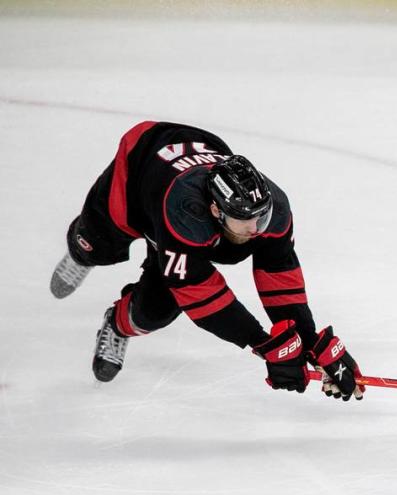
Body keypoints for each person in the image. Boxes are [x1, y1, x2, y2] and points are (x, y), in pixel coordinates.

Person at [51, 121, 363, 401]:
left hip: (193, 166)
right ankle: (83, 254)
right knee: (93, 245)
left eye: (261, 216)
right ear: (216, 210)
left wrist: (310, 342)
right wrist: (264, 345)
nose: (256, 229)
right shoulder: (186, 213)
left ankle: (116, 324)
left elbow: (278, 275)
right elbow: (204, 298)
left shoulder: (274, 209)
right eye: (245, 220)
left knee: (155, 311)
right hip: (141, 168)